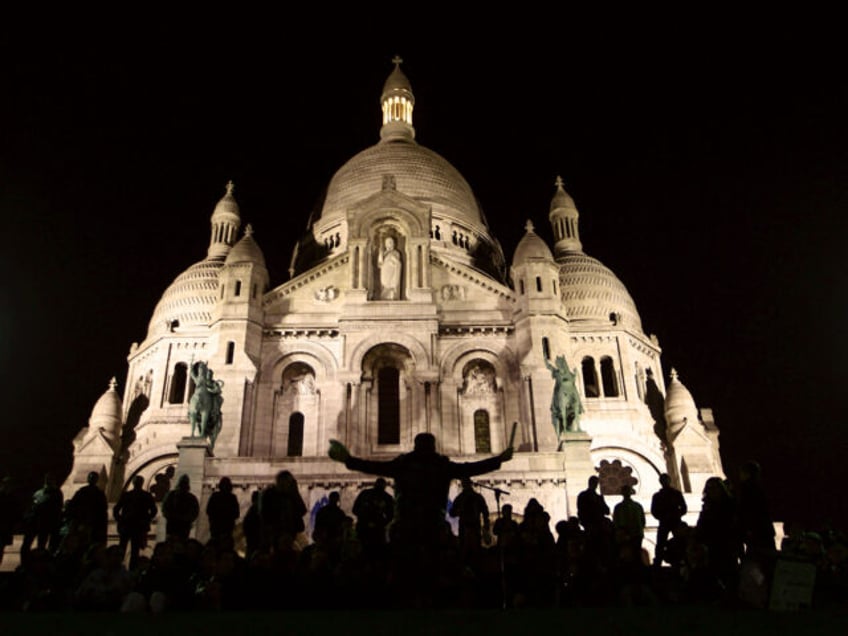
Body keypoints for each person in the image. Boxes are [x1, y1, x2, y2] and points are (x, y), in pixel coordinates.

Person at [329, 432, 512, 550]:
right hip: (433, 526)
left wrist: (348, 459)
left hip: (407, 527)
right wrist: (499, 460)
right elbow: (470, 469)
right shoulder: (441, 465)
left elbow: (373, 466)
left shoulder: (404, 464)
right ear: (433, 447)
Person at [113, 475, 158, 570]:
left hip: (136, 526)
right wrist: (120, 520)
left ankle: (130, 571)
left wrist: (146, 519)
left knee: (134, 550)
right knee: (125, 549)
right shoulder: (128, 495)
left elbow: (154, 510)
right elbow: (116, 509)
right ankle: (118, 568)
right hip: (129, 525)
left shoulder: (143, 495)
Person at [259, 470, 306, 552]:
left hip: (289, 532)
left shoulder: (292, 495)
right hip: (276, 533)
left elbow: (302, 510)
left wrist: (296, 492)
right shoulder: (271, 495)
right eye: (288, 482)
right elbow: (265, 515)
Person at [449, 477, 491, 564]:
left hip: (474, 528)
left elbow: (485, 511)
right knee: (465, 554)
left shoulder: (476, 497)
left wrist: (486, 525)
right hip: (465, 529)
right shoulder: (461, 498)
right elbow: (452, 512)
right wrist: (459, 511)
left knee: (474, 553)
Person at [21, 473, 64, 557]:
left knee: (40, 545)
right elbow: (31, 507)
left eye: (51, 479)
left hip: (45, 523)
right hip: (34, 523)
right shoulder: (39, 493)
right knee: (27, 545)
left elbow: (57, 509)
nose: (48, 481)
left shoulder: (56, 493)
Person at [650, 473, 687, 566]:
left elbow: (684, 507)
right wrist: (662, 517)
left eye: (666, 480)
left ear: (669, 481)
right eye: (663, 480)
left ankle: (683, 560)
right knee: (660, 543)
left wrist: (677, 515)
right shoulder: (657, 496)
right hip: (664, 522)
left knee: (680, 541)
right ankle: (658, 562)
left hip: (675, 522)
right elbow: (654, 510)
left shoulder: (677, 494)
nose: (664, 482)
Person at [352, 478, 394, 557]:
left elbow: (355, 510)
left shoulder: (366, 494)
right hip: (371, 530)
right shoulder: (387, 498)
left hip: (371, 530)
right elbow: (390, 516)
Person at [545, 355, 583, 438]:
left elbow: (573, 381)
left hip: (571, 390)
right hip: (562, 391)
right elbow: (549, 366)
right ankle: (562, 422)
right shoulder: (557, 372)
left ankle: (579, 408)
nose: (559, 365)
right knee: (560, 397)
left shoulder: (569, 373)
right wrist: (545, 357)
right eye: (557, 363)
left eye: (559, 363)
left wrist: (575, 374)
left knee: (576, 398)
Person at [67, 470, 108, 548]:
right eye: (90, 477)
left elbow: (102, 511)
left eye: (93, 478)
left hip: (92, 524)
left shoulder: (99, 494)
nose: (91, 479)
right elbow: (73, 506)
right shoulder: (82, 491)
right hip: (81, 522)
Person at [161, 474, 199, 541]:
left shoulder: (172, 495)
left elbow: (195, 512)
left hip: (181, 525)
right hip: (175, 524)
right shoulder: (172, 495)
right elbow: (165, 508)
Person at [206, 476, 240, 547]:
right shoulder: (232, 498)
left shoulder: (215, 496)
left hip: (219, 528)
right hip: (224, 528)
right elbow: (236, 513)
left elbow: (209, 510)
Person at [613, 485, 645, 557]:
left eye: (627, 491)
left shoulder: (637, 506)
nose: (626, 493)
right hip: (627, 535)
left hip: (635, 534)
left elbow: (642, 520)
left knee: (635, 555)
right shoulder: (619, 507)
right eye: (625, 491)